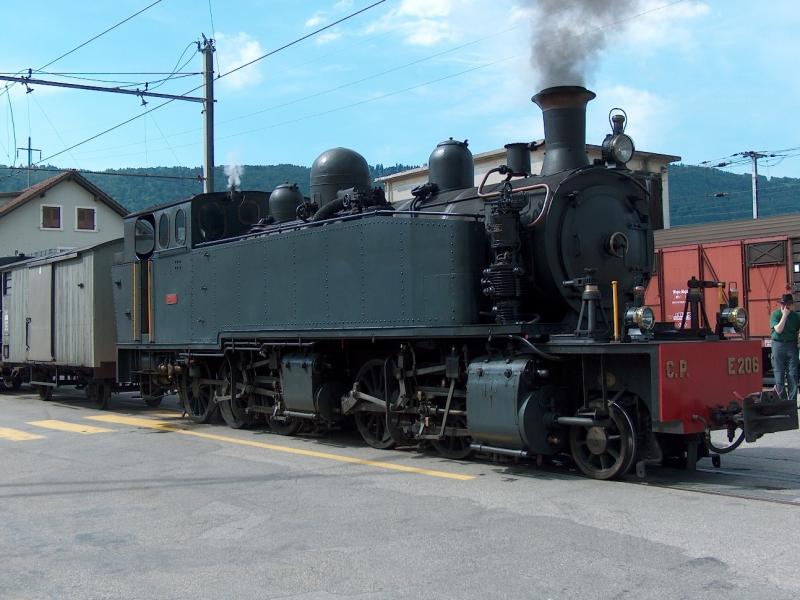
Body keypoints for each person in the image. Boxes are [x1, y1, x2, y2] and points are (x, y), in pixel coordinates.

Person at [770, 293, 800, 405]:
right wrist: (784, 316)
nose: (785, 307)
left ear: (791, 305)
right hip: (778, 345)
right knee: (779, 374)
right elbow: (778, 330)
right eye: (783, 304)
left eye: (787, 305)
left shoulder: (796, 317)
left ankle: (791, 403)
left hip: (791, 345)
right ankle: (782, 402)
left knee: (792, 374)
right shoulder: (775, 314)